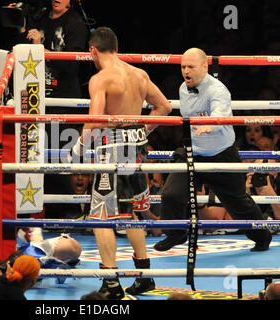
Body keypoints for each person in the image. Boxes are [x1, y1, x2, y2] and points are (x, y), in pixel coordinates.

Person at [70, 27, 172, 299]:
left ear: (93, 50)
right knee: (131, 213)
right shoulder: (139, 74)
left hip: (111, 151)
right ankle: (144, 276)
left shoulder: (101, 79)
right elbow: (164, 107)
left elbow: (94, 122)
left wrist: (78, 150)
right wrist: (140, 133)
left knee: (100, 217)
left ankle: (111, 283)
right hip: (137, 147)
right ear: (115, 47)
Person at [154, 48, 272, 252]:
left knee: (238, 203)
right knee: (171, 195)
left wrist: (211, 124)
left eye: (190, 66)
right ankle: (176, 233)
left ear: (204, 67)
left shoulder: (218, 90)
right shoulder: (183, 88)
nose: (185, 71)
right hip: (194, 152)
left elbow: (221, 112)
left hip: (221, 155)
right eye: (183, 67)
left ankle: (262, 237)